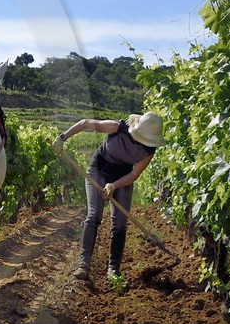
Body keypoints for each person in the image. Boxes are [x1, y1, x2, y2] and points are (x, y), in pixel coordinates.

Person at [53, 112, 164, 283]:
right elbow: (84, 123)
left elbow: (134, 173)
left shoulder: (149, 150)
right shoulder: (117, 128)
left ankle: (113, 270)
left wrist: (114, 186)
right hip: (98, 171)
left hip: (122, 179)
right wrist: (62, 138)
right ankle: (83, 264)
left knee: (119, 223)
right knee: (94, 215)